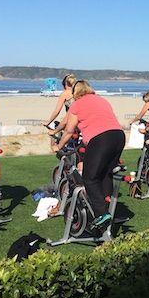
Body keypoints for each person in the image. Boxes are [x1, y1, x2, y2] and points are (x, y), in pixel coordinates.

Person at [52, 80, 125, 228]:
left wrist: (58, 146)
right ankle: (108, 207)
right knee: (105, 173)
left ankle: (101, 213)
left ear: (75, 93)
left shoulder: (76, 105)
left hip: (100, 139)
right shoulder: (102, 100)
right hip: (119, 136)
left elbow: (69, 130)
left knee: (89, 178)